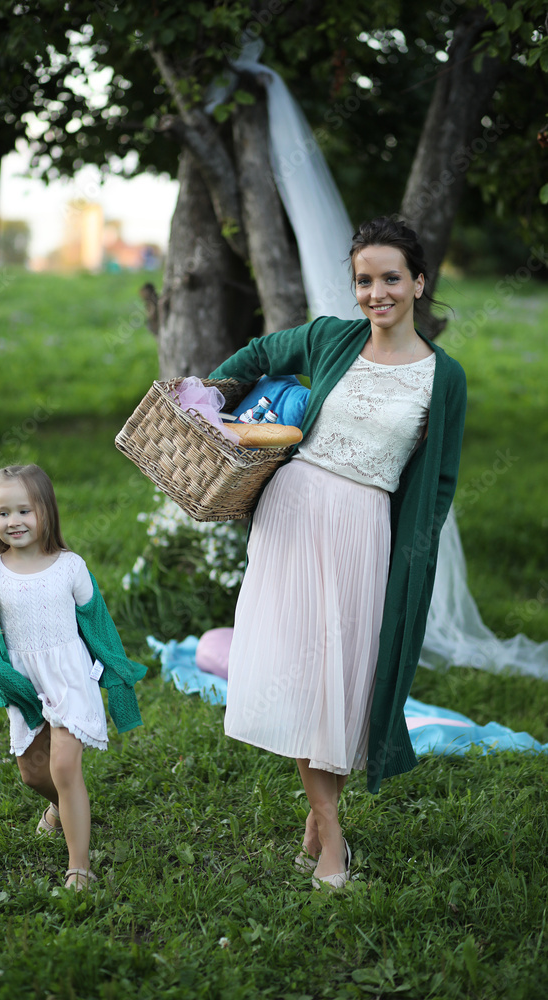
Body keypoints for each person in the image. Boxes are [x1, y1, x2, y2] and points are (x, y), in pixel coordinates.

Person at [208, 217, 467, 889]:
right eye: (363, 280)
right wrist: (206, 398)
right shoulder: (329, 337)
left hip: (364, 525)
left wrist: (414, 556)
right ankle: (332, 842)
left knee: (344, 682)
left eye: (388, 278)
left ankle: (315, 823)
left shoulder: (443, 378)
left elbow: (438, 480)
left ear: (417, 282)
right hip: (293, 512)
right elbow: (256, 354)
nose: (375, 293)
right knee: (300, 672)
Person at [0, 464, 146, 891]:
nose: (13, 522)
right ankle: (61, 808)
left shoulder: (69, 567)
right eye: (3, 513)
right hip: (25, 684)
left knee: (65, 768)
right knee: (33, 774)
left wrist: (116, 675)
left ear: (46, 512)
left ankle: (79, 867)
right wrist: (3, 678)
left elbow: (97, 622)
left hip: (69, 679)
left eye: (24, 511)